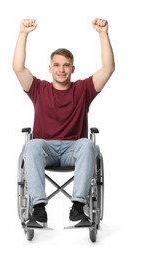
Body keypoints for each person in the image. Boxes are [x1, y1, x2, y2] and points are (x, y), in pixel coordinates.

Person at [13, 18, 115, 227]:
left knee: (88, 144)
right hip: (45, 149)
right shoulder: (39, 89)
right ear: (49, 68)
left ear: (73, 68)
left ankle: (78, 207)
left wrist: (103, 34)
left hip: (73, 150)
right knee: (31, 145)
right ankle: (38, 209)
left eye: (66, 65)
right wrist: (23, 34)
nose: (62, 69)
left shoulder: (83, 90)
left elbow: (108, 69)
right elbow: (18, 67)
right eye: (57, 65)